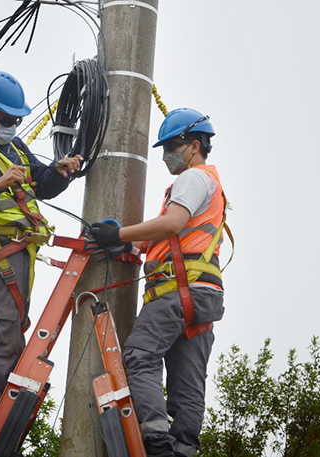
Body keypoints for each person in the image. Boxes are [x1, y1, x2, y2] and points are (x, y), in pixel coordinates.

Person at [0, 71, 83, 457]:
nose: (12, 126)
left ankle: (0, 419)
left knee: (11, 335)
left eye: (16, 120)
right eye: (6, 120)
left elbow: (39, 181)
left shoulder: (15, 147)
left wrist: (60, 172)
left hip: (20, 255)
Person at [89, 108, 228, 457]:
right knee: (188, 380)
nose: (167, 156)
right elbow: (169, 236)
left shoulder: (193, 178)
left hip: (177, 291)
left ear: (194, 146)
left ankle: (157, 443)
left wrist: (117, 233)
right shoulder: (210, 184)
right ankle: (183, 449)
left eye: (172, 147)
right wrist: (127, 242)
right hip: (203, 296)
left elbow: (171, 224)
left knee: (139, 357)